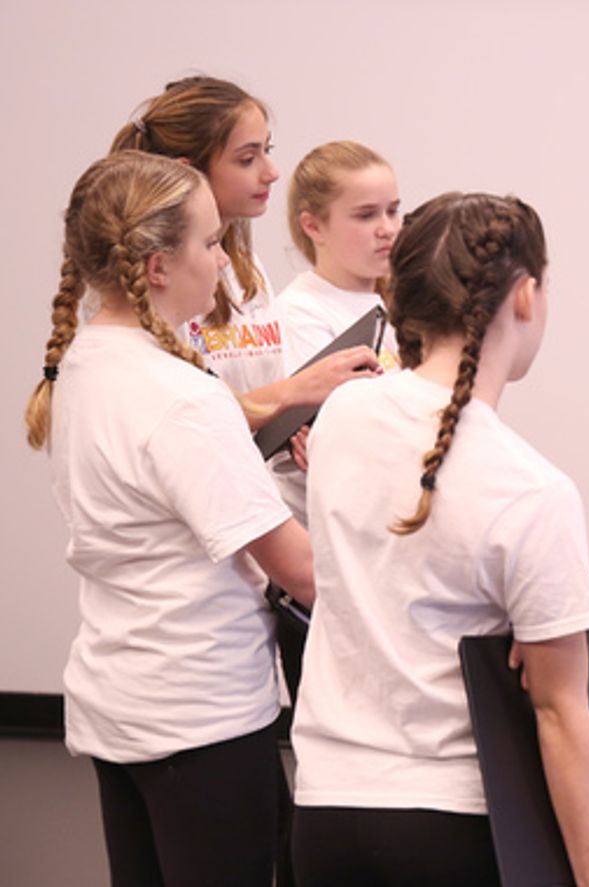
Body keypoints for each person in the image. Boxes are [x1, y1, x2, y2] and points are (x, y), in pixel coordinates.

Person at [291, 193, 589, 887]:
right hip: (451, 825)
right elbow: (561, 712)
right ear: (528, 295)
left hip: (324, 813)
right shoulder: (531, 490)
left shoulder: (341, 418)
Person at [24, 150, 315, 886]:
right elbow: (301, 570)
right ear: (156, 265)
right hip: (201, 715)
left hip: (121, 703)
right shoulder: (183, 398)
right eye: (213, 242)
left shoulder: (85, 361)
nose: (223, 262)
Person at [112, 76, 378, 425]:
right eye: (247, 158)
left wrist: (291, 429)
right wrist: (292, 392)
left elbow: (263, 393)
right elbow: (174, 419)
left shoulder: (245, 267)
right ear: (187, 171)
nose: (271, 172)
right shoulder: (156, 278)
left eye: (267, 151)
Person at [274, 140, 404, 525]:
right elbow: (332, 447)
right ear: (313, 225)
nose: (388, 229)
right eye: (366, 216)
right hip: (333, 535)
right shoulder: (300, 313)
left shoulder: (399, 305)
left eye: (393, 211)